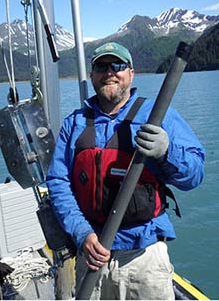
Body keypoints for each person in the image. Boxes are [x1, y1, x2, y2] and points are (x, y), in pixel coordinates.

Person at [46, 42, 205, 300]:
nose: (109, 72)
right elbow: (57, 182)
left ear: (131, 73)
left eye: (117, 65)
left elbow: (194, 175)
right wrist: (81, 232)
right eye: (101, 66)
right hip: (91, 254)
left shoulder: (158, 114)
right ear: (92, 74)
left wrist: (167, 151)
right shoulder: (74, 123)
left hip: (143, 258)